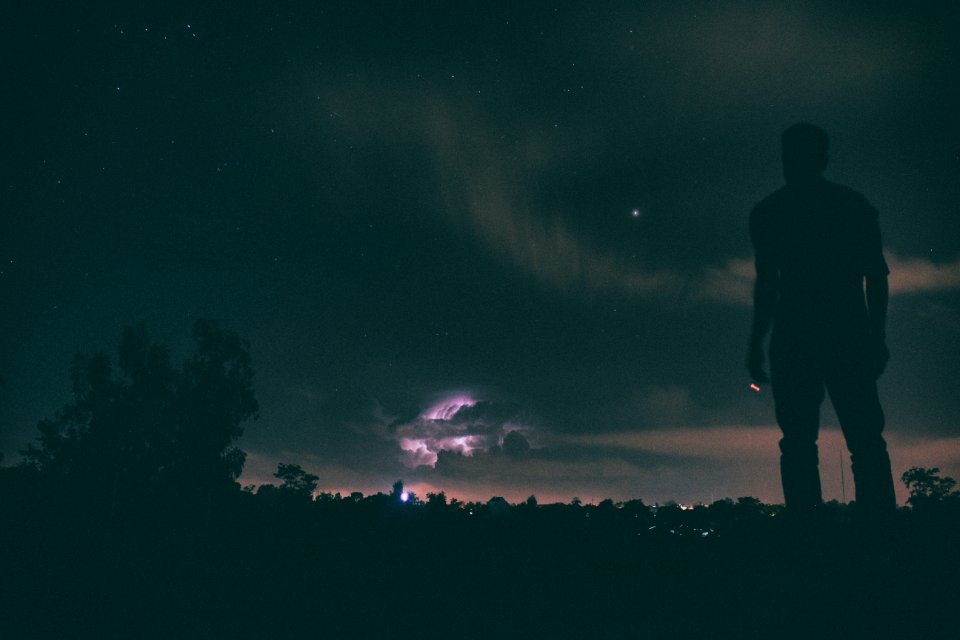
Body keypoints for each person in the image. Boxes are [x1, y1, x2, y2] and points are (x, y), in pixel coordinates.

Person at [747, 122, 896, 519]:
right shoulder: (852, 206)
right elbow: (875, 276)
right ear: (823, 158)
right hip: (847, 333)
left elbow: (768, 286)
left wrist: (756, 343)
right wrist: (876, 336)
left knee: (798, 445)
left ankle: (807, 537)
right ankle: (879, 535)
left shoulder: (769, 212)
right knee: (865, 441)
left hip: (795, 337)